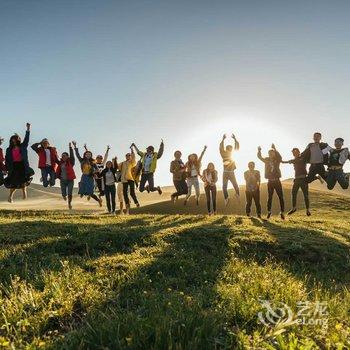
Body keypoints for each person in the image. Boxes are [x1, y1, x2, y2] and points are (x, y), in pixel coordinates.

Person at [4, 123, 34, 202]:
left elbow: (26, 139)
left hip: (22, 165)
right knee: (13, 182)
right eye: (12, 140)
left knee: (23, 180)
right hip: (13, 166)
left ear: (17, 140)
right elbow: (7, 159)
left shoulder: (22, 146)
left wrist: (28, 129)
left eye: (14, 140)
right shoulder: (9, 149)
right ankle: (10, 196)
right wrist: (6, 168)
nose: (13, 141)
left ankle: (24, 191)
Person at [257, 144, 285, 219]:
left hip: (277, 181)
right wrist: (259, 150)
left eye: (272, 153)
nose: (271, 154)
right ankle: (269, 212)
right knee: (270, 197)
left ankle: (282, 212)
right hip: (270, 182)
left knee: (281, 197)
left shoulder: (277, 159)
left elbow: (280, 157)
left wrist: (275, 148)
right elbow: (259, 157)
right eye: (269, 153)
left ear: (274, 154)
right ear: (268, 154)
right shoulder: (266, 160)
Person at [282, 148, 311, 216]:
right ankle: (294, 208)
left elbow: (308, 152)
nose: (294, 153)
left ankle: (307, 210)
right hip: (297, 179)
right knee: (293, 193)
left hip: (303, 179)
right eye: (293, 152)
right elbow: (284, 162)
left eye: (295, 152)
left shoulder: (303, 158)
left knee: (305, 195)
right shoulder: (293, 160)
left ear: (298, 152)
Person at [72, 141, 102, 206]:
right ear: (85, 155)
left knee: (90, 192)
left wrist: (93, 172)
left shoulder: (93, 162)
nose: (88, 155)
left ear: (91, 155)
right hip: (84, 176)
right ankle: (82, 193)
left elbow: (97, 170)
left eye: (89, 154)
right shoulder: (82, 160)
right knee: (82, 188)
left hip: (90, 177)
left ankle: (98, 200)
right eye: (87, 154)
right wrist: (75, 147)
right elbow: (77, 155)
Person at [220, 134, 240, 205]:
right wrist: (223, 140)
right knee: (224, 186)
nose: (230, 150)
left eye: (231, 149)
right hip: (225, 172)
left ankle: (237, 194)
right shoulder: (223, 154)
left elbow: (237, 147)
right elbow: (221, 148)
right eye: (229, 149)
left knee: (235, 185)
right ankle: (226, 198)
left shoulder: (233, 154)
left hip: (231, 172)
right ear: (226, 149)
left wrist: (235, 139)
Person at [118, 148, 139, 214]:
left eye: (129, 155)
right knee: (124, 193)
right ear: (125, 157)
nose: (128, 156)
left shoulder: (132, 162)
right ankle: (127, 204)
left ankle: (136, 202)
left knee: (132, 193)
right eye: (127, 155)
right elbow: (117, 166)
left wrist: (132, 151)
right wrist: (114, 161)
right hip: (124, 180)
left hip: (130, 179)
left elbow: (134, 158)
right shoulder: (122, 163)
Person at [56, 143, 76, 210]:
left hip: (70, 180)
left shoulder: (71, 162)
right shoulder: (60, 163)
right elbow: (55, 158)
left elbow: (72, 156)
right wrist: (54, 152)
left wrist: (70, 147)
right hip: (63, 180)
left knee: (70, 193)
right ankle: (64, 196)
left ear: (67, 157)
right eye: (62, 156)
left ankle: (69, 204)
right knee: (63, 193)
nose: (63, 157)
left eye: (65, 156)